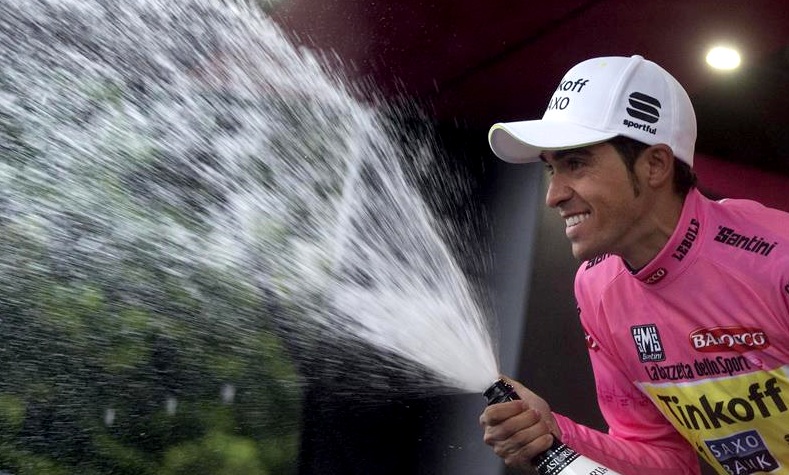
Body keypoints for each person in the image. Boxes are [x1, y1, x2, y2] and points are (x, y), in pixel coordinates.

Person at [479, 54, 789, 475]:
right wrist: (553, 435)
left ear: (655, 165)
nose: (554, 195)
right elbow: (664, 461)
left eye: (575, 163)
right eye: (552, 170)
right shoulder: (596, 287)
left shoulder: (776, 255)